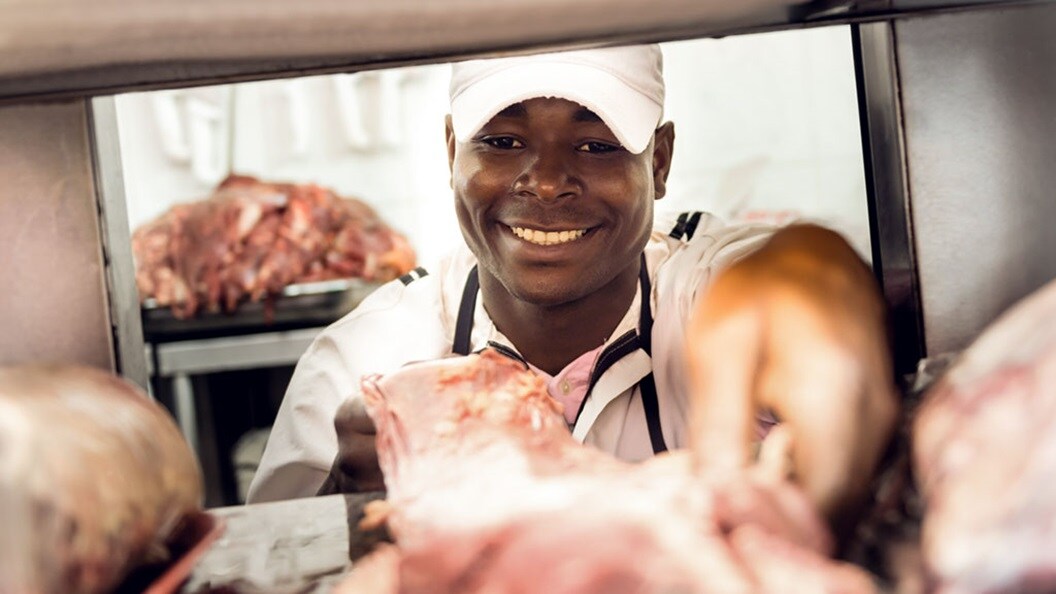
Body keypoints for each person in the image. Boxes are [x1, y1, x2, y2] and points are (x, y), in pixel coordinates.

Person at [248, 44, 898, 536]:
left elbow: (793, 277)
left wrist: (818, 289)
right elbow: (272, 560)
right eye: (503, 141)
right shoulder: (363, 363)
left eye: (595, 145)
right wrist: (350, 502)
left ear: (660, 161)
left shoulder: (703, 295)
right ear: (451, 152)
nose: (546, 181)